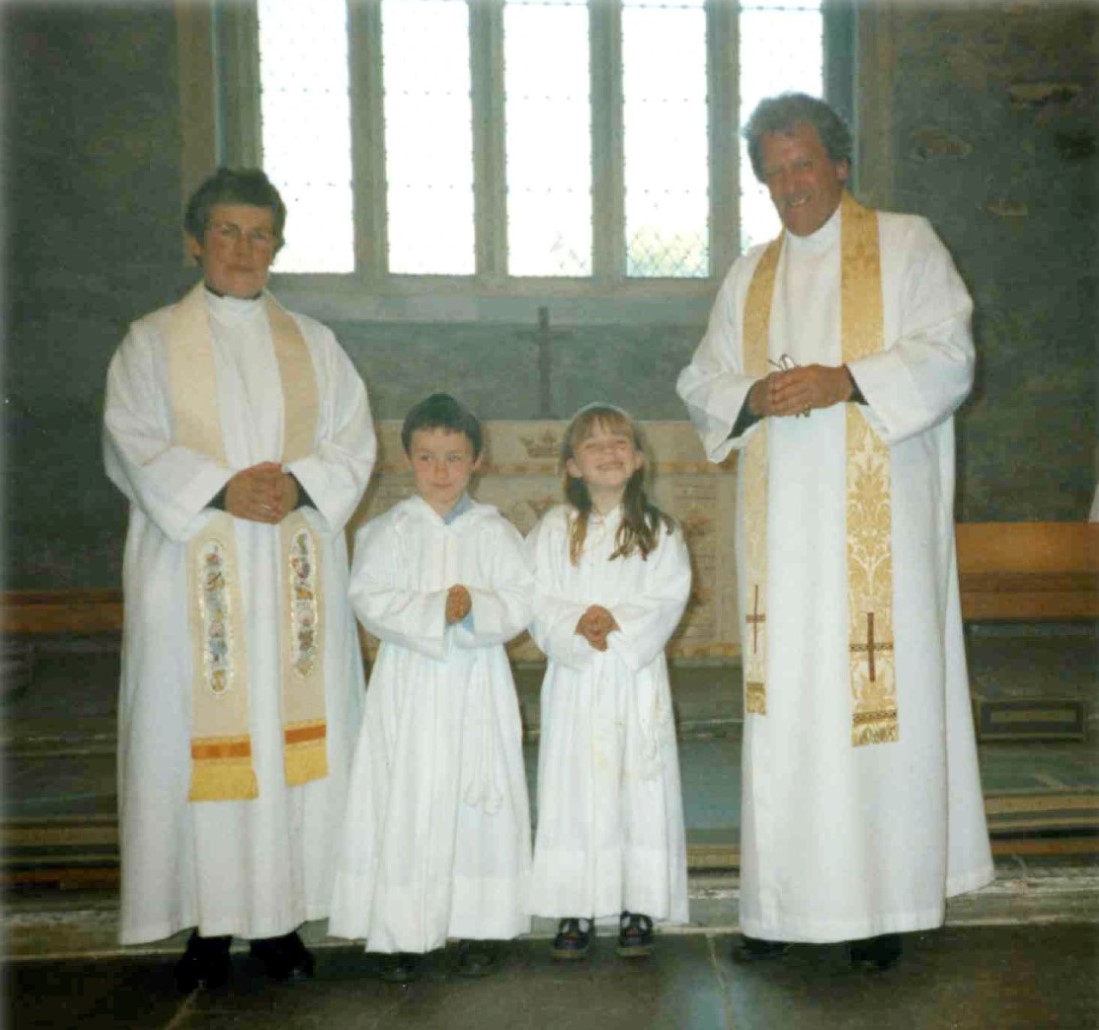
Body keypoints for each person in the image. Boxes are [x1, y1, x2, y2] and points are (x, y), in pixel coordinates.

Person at [677, 93, 994, 970]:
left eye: (802, 163)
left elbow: (948, 355)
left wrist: (845, 380)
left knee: (872, 712)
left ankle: (879, 908)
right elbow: (701, 377)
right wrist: (750, 395)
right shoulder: (749, 275)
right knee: (785, 715)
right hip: (780, 544)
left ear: (840, 163)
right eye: (773, 171)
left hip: (875, 536)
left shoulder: (906, 243)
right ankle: (775, 908)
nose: (789, 184)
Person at [103, 168, 376, 990]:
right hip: (194, 574)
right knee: (192, 737)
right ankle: (206, 924)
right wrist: (221, 487)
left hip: (290, 575)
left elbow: (352, 442)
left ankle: (282, 921)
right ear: (194, 241)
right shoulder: (149, 342)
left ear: (277, 245)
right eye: (226, 231)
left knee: (286, 739)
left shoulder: (315, 344)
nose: (243, 248)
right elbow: (131, 440)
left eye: (260, 234)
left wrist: (297, 486)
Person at [328, 393, 533, 982]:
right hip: (411, 684)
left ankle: (478, 924)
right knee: (408, 795)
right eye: (427, 458)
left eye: (453, 457)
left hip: (476, 682)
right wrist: (434, 610)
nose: (440, 472)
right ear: (407, 460)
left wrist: (474, 611)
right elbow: (369, 599)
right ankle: (404, 928)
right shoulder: (387, 530)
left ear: (477, 461)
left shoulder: (494, 531)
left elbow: (520, 600)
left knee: (476, 797)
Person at [526, 403, 691, 961]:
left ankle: (636, 902)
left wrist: (615, 623)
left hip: (633, 676)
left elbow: (668, 594)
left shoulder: (659, 529)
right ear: (572, 466)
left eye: (620, 441)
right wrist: (577, 625)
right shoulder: (554, 529)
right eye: (593, 444)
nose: (608, 451)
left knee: (635, 785)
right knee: (572, 788)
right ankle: (574, 905)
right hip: (576, 680)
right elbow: (537, 596)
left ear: (639, 459)